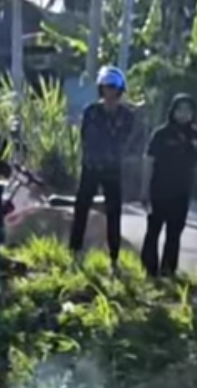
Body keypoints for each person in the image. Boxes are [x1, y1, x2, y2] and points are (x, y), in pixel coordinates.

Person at [69, 66, 136, 269]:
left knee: (114, 212)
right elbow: (85, 138)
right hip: (91, 166)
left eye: (113, 87)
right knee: (81, 207)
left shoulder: (127, 116)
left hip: (113, 169)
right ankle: (75, 251)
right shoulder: (91, 112)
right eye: (106, 86)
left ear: (120, 89)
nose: (109, 91)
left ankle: (114, 257)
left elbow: (127, 141)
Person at [140, 94, 197, 278]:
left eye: (188, 110)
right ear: (173, 111)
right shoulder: (161, 134)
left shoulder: (196, 136)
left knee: (174, 234)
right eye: (180, 109)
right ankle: (149, 270)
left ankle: (168, 271)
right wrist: (144, 190)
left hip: (181, 193)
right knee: (153, 231)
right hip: (159, 191)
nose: (184, 114)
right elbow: (148, 161)